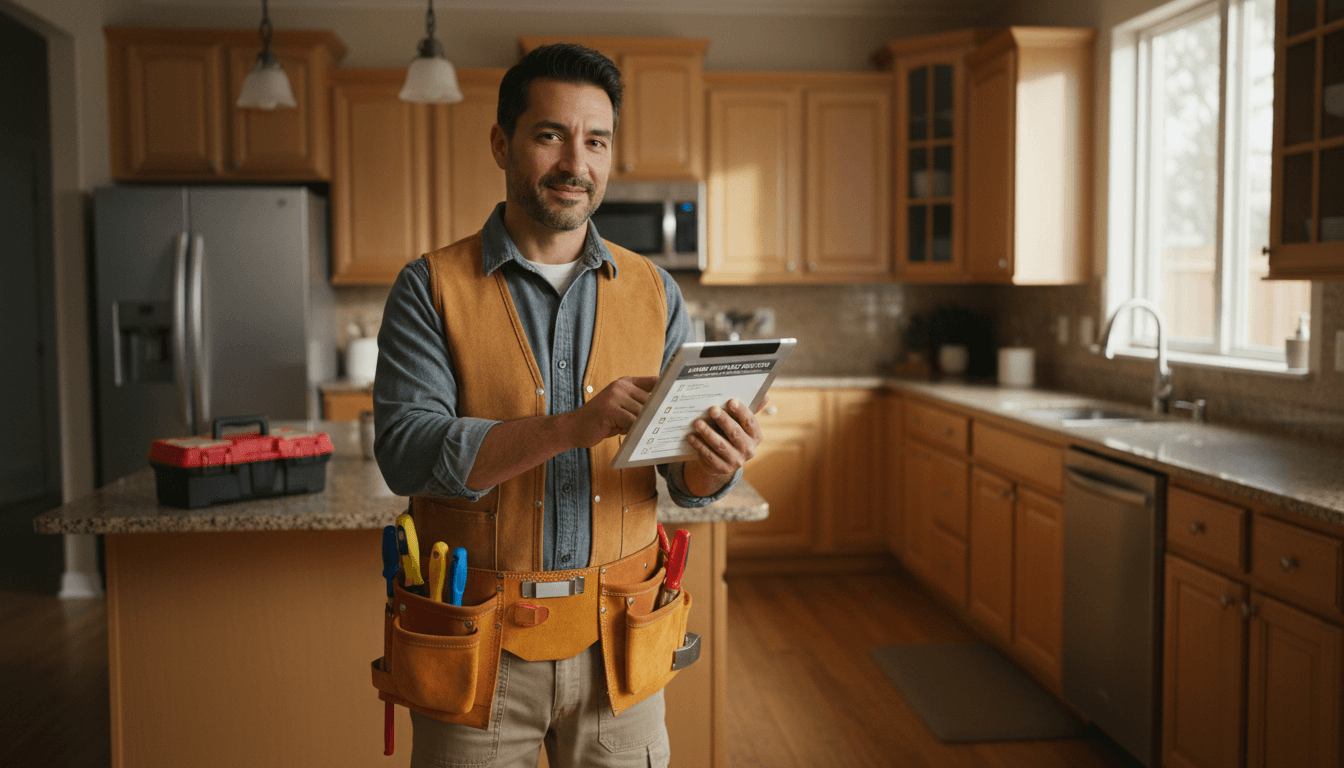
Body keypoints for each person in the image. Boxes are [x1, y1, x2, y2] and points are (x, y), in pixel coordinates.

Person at [372, 43, 767, 768]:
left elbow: (683, 483)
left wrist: (716, 465)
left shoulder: (657, 292)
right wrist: (573, 428)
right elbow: (406, 452)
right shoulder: (429, 288)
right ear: (502, 143)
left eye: (596, 140)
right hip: (476, 655)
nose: (575, 164)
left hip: (621, 652)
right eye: (550, 134)